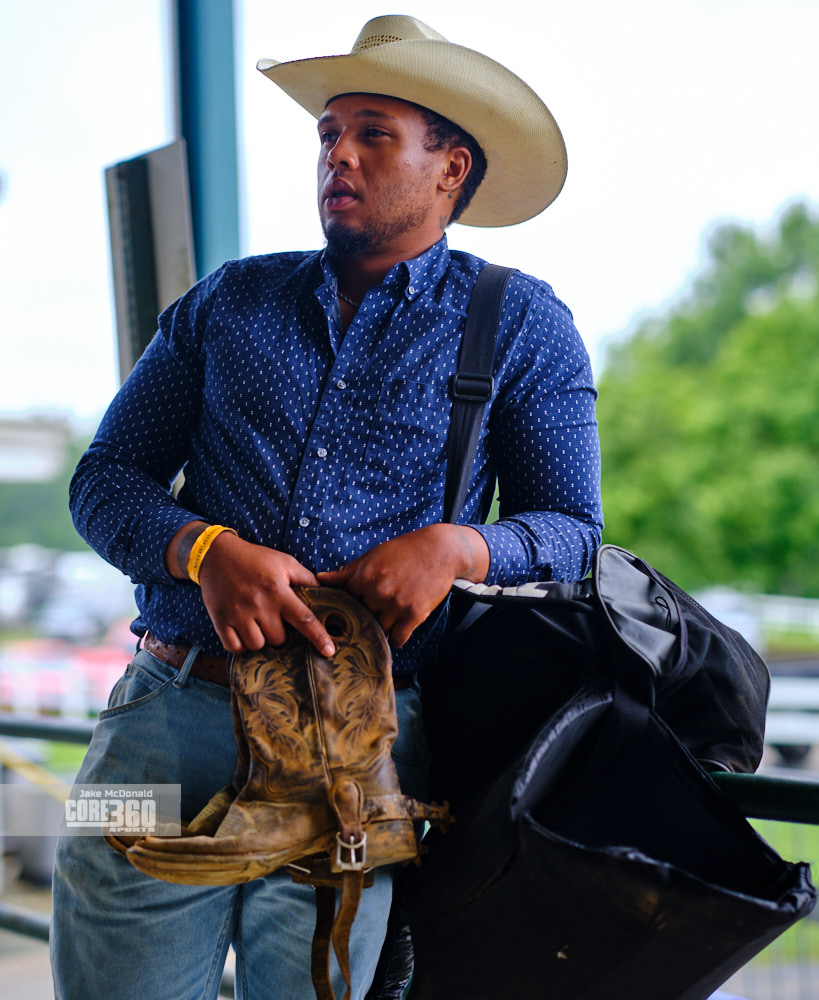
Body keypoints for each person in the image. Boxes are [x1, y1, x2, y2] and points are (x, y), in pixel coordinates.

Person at [50, 14, 602, 1000]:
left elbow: (573, 532)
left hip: (361, 753)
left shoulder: (522, 322)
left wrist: (456, 548)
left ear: (451, 168)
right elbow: (102, 480)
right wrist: (202, 550)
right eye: (328, 133)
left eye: (373, 133)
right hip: (158, 722)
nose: (337, 154)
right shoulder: (228, 300)